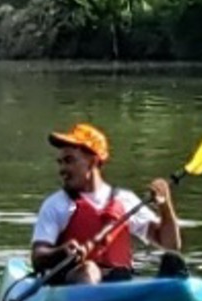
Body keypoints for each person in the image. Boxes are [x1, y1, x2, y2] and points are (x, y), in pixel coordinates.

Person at [28, 121, 185, 285]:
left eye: (69, 161)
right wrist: (61, 253)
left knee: (172, 260)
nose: (62, 169)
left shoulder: (125, 200)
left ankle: (164, 293)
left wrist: (165, 205)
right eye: (60, 162)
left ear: (93, 161)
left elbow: (171, 244)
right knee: (89, 269)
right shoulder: (56, 205)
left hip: (118, 283)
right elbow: (38, 257)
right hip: (73, 284)